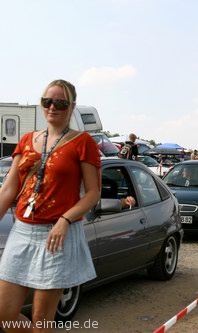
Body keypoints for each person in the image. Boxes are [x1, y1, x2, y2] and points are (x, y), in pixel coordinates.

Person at [0, 79, 101, 332]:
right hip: (22, 231)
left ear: (72, 106)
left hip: (55, 237)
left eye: (61, 102)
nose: (52, 107)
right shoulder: (26, 140)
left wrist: (65, 220)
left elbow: (93, 193)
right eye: (47, 101)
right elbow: (9, 188)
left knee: (41, 321)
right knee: (4, 314)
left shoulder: (83, 142)